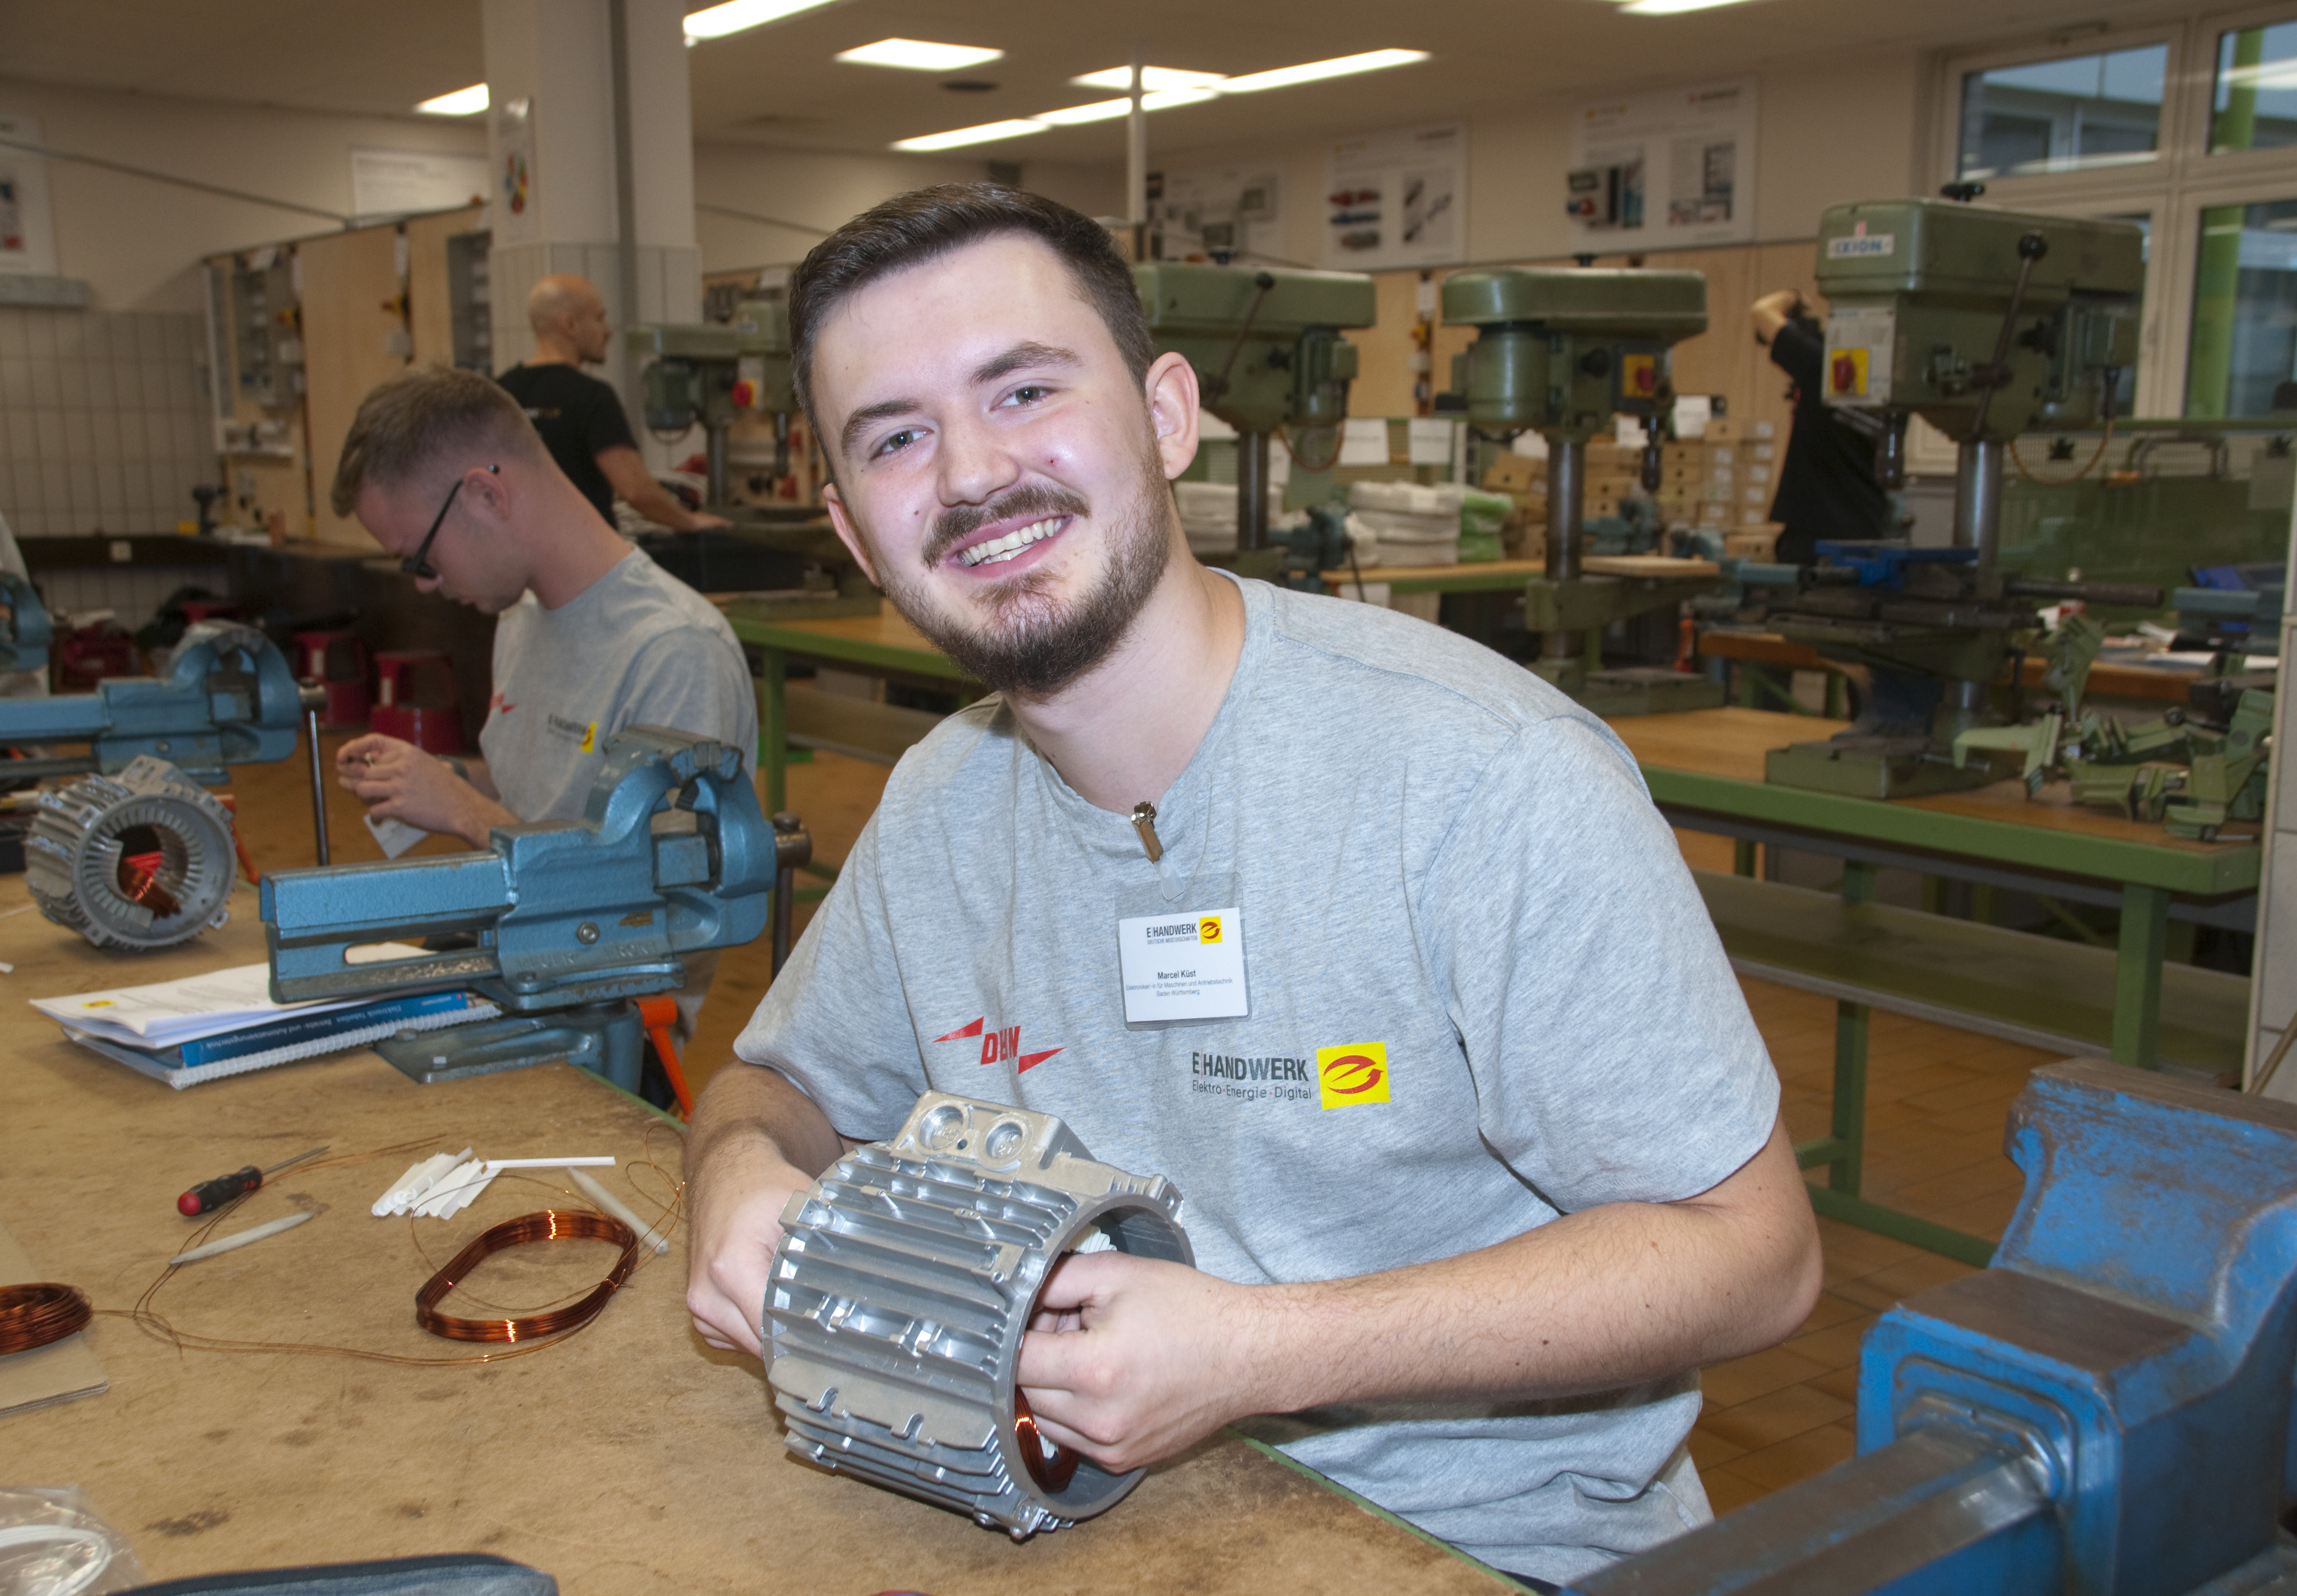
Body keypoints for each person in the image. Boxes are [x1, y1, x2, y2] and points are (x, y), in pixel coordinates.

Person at [684, 184, 1818, 1590]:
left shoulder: (1479, 775)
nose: (972, 474)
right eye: (897, 437)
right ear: (856, 531)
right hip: (1088, 1511)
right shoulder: (938, 805)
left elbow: (1755, 1255)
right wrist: (736, 1170)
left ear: (1166, 416)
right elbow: (773, 1085)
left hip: (1481, 1546)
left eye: (1022, 388)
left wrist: (1255, 1349)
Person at [323, 366, 757, 1056]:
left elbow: (651, 907)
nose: (429, 587)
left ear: (485, 495)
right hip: (506, 966)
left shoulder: (674, 650)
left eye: (422, 561)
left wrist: (465, 811)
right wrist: (436, 777)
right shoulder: (520, 616)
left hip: (605, 1022)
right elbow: (546, 784)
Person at [496, 273, 729, 536]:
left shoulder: (498, 392)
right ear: (570, 325)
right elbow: (636, 491)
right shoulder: (591, 396)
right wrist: (690, 521)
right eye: (599, 318)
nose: (607, 330)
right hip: (585, 557)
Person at [1751, 289, 1890, 567]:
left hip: (1815, 539)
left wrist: (1795, 297)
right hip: (1868, 532)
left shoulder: (1827, 368)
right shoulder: (1891, 384)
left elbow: (1761, 312)